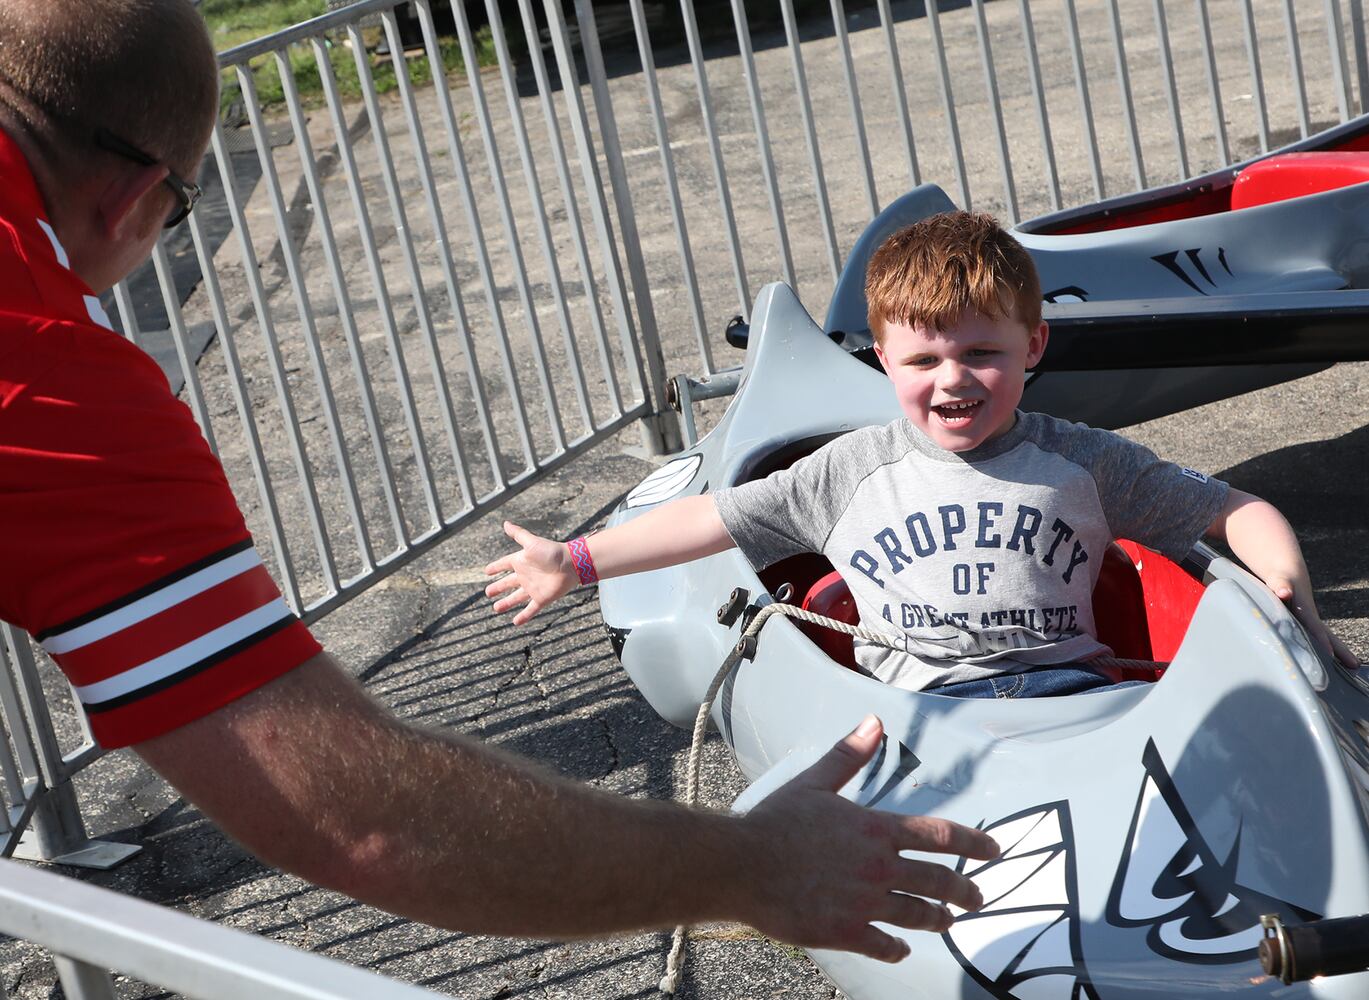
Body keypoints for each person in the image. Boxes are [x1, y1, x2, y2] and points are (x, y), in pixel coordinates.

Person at [0, 0, 999, 965]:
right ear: (135, 199)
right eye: (181, 217)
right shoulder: (54, 373)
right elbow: (361, 813)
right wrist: (753, 863)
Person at [486, 212, 1359, 699]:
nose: (955, 381)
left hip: (1081, 702)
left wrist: (1297, 603)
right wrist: (575, 559)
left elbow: (1234, 510)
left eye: (982, 353)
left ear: (1032, 347)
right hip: (914, 715)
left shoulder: (1086, 461)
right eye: (923, 361)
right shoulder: (849, 470)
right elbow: (709, 520)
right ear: (882, 359)